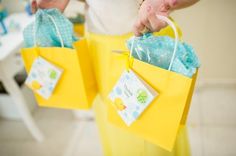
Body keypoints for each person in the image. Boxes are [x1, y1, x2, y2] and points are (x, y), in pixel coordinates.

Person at [31, 0, 199, 155]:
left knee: (154, 134)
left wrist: (165, 2)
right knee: (115, 129)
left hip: (149, 48)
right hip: (100, 47)